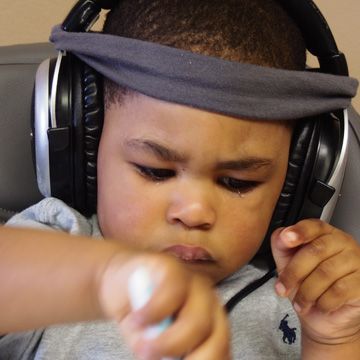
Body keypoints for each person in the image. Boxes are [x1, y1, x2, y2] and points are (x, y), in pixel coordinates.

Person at [1, 0, 360, 359]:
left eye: (238, 182)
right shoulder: (58, 246)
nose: (194, 212)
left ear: (298, 179)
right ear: (85, 150)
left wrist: (334, 340)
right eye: (156, 172)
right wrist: (103, 277)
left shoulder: (302, 300)